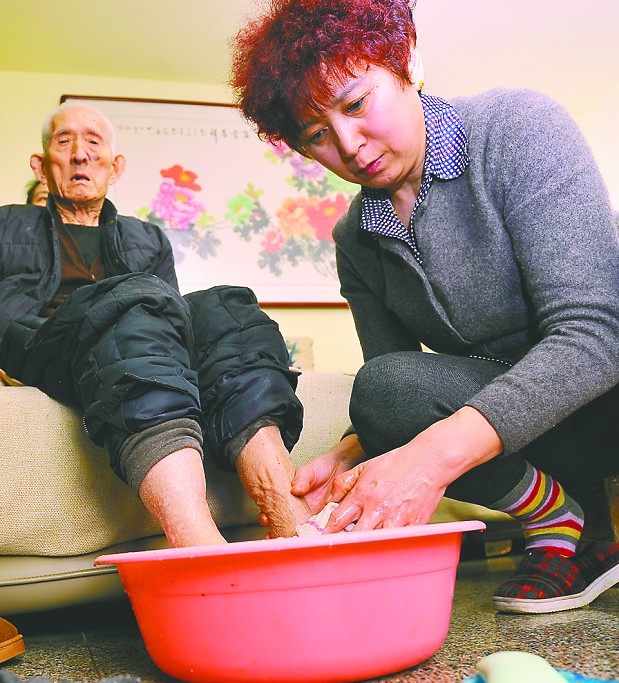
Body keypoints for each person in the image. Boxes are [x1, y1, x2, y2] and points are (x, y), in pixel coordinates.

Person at [230, 0, 619, 613]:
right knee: (381, 391)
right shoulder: (355, 240)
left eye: (356, 104)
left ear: (405, 64)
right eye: (317, 135)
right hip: (523, 421)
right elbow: (395, 382)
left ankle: (589, 532)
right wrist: (352, 455)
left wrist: (429, 461)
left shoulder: (519, 128)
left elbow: (597, 337)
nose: (349, 145)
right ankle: (559, 521)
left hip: (603, 406)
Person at [0, 102, 313, 547]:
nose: (80, 154)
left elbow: (177, 324)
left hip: (129, 342)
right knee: (135, 300)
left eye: (93, 142)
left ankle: (291, 519)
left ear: (115, 166)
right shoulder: (6, 225)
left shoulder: (146, 237)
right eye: (64, 141)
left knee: (227, 308)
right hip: (44, 345)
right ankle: (198, 544)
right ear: (41, 165)